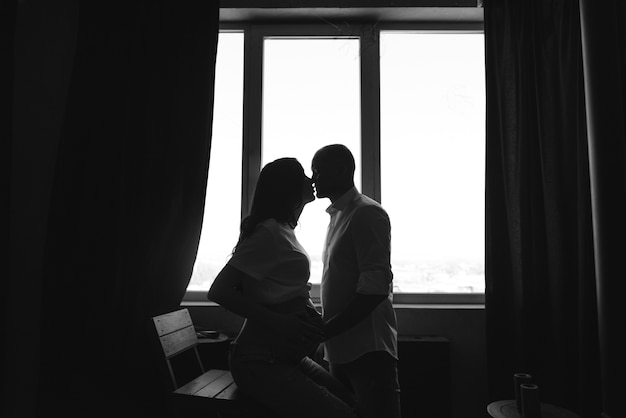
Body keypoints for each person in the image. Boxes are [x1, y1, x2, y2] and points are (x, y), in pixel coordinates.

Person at [207, 157, 357, 418]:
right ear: (286, 187)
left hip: (285, 357)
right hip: (259, 361)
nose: (310, 180)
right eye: (302, 175)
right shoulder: (268, 233)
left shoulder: (284, 230)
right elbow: (219, 290)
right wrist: (281, 323)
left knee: (352, 403)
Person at [312, 144, 401, 418]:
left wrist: (326, 330)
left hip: (366, 350)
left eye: (318, 171)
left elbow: (374, 289)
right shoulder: (339, 215)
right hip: (341, 348)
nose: (313, 178)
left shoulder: (366, 214)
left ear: (341, 171)